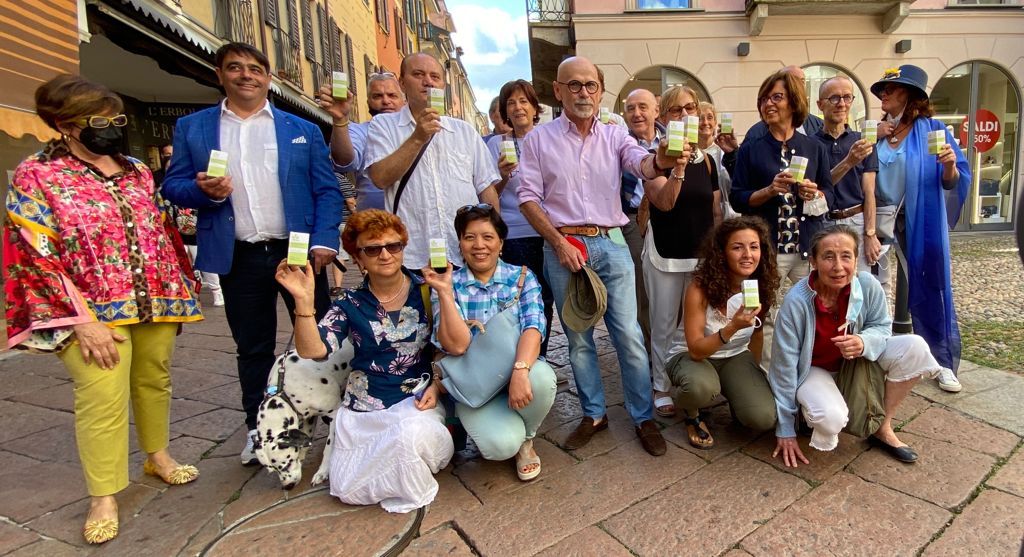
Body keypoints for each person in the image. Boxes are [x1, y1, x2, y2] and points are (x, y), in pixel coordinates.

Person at [4, 74, 202, 544]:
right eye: (98, 122)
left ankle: (157, 455)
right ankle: (104, 495)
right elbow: (34, 252)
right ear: (65, 124)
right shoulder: (38, 174)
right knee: (101, 396)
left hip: (154, 298)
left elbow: (159, 229)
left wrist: (178, 286)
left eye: (116, 120)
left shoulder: (135, 169)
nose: (111, 129)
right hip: (88, 308)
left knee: (154, 380)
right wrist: (81, 320)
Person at [162, 42, 342, 465]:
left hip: (296, 252)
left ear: (268, 78)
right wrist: (203, 191)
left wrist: (323, 241)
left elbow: (326, 189)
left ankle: (339, 424)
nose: (246, 75)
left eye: (255, 69)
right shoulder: (194, 128)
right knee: (253, 347)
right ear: (220, 75)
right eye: (235, 67)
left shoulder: (301, 129)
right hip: (238, 254)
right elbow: (173, 186)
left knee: (324, 340)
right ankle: (259, 429)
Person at [518, 56, 684, 456]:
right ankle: (593, 414)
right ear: (557, 91)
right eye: (574, 85)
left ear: (601, 91)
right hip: (563, 246)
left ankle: (643, 416)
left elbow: (642, 163)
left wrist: (662, 159)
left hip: (611, 242)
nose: (583, 93)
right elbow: (527, 198)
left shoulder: (614, 135)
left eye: (590, 85)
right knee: (578, 339)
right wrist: (558, 242)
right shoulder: (538, 140)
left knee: (628, 334)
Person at [275, 209, 452, 512]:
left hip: (416, 399)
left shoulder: (427, 289)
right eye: (372, 249)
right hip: (364, 407)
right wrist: (303, 301)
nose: (385, 254)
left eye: (393, 246)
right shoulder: (350, 303)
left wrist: (437, 384)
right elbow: (314, 350)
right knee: (348, 488)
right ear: (358, 258)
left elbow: (448, 346)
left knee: (408, 438)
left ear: (403, 248)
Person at [769, 225, 944, 466]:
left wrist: (863, 341)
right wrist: (785, 428)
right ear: (814, 262)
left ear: (855, 259)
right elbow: (784, 365)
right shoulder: (797, 302)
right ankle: (806, 412)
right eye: (828, 257)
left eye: (846, 256)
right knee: (831, 419)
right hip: (815, 369)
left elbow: (881, 326)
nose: (838, 267)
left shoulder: (867, 284)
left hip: (855, 360)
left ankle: (882, 427)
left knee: (915, 347)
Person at [424, 205, 556, 480]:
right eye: (469, 237)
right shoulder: (448, 283)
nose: (479, 245)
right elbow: (456, 346)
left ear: (501, 243)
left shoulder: (521, 277)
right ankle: (506, 432)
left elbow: (534, 327)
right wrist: (445, 293)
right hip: (473, 384)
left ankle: (526, 440)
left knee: (542, 378)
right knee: (500, 447)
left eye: (488, 237)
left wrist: (520, 371)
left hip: (513, 371)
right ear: (460, 243)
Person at [871, 64, 970, 393]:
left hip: (920, 218)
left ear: (910, 95)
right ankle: (876, 356)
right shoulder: (875, 131)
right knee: (871, 289)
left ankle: (941, 362)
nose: (884, 94)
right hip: (877, 220)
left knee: (931, 286)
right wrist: (873, 137)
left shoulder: (933, 130)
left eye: (891, 89)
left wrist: (950, 165)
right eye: (883, 89)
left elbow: (953, 181)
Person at [729, 68, 835, 362]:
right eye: (764, 99)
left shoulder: (814, 147)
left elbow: (830, 193)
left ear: (794, 102)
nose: (768, 104)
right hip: (769, 248)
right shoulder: (751, 149)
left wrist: (815, 193)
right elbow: (737, 197)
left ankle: (810, 372)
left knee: (814, 311)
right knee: (765, 316)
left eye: (776, 97)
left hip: (807, 247)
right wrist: (769, 191)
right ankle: (768, 376)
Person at [366, 53, 500, 270]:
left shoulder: (464, 131)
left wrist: (495, 240)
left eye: (435, 77)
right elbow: (380, 178)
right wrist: (418, 137)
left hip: (465, 255)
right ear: (402, 83)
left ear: (443, 85)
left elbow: (486, 189)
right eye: (418, 74)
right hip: (413, 255)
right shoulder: (383, 126)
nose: (428, 81)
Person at [667, 217, 779, 448]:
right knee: (701, 388)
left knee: (763, 417)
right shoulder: (699, 287)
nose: (748, 255)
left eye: (754, 247)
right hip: (692, 356)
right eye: (737, 247)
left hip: (735, 356)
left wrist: (749, 380)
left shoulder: (761, 284)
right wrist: (732, 327)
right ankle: (691, 412)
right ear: (722, 252)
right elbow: (696, 350)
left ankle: (735, 395)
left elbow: (757, 334)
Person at [642, 85, 720, 418]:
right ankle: (660, 385)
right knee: (663, 322)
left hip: (700, 253)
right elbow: (665, 202)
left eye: (690, 108)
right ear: (664, 117)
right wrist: (678, 168)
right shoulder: (654, 158)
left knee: (695, 323)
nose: (685, 114)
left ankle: (689, 378)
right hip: (666, 252)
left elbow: (715, 209)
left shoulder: (709, 160)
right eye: (676, 110)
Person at [486, 79, 555, 356]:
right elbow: (488, 193)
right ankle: (518, 358)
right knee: (516, 299)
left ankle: (540, 356)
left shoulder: (549, 139)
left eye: (523, 101)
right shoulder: (496, 144)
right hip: (514, 233)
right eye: (511, 103)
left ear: (535, 107)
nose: (518, 107)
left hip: (549, 231)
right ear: (504, 111)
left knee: (546, 297)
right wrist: (503, 176)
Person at [813, 76, 880, 285]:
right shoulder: (810, 144)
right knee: (825, 284)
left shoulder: (862, 141)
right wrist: (849, 162)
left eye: (847, 97)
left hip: (856, 221)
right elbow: (818, 189)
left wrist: (870, 233)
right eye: (834, 98)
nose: (841, 103)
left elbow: (869, 191)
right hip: (823, 221)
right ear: (820, 104)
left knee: (860, 285)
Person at [321, 71, 405, 211]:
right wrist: (340, 120)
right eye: (377, 96)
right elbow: (344, 162)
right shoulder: (359, 131)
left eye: (392, 95)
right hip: (372, 220)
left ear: (404, 101)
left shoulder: (417, 131)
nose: (385, 101)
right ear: (368, 103)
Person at [157, 144, 225, 307]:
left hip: (194, 231)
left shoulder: (195, 185)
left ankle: (216, 291)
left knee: (203, 262)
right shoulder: (163, 187)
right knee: (182, 265)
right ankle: (191, 292)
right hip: (174, 231)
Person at [619, 88, 660, 358]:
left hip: (669, 218)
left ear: (656, 110)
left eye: (643, 107)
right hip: (633, 220)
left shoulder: (673, 140)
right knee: (641, 289)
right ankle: (648, 353)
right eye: (631, 108)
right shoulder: (619, 144)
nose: (637, 114)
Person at [698, 102, 738, 219]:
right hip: (702, 215)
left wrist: (734, 152)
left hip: (730, 216)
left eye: (710, 118)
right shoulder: (690, 153)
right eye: (700, 118)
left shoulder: (725, 150)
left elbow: (740, 180)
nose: (705, 122)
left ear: (715, 122)